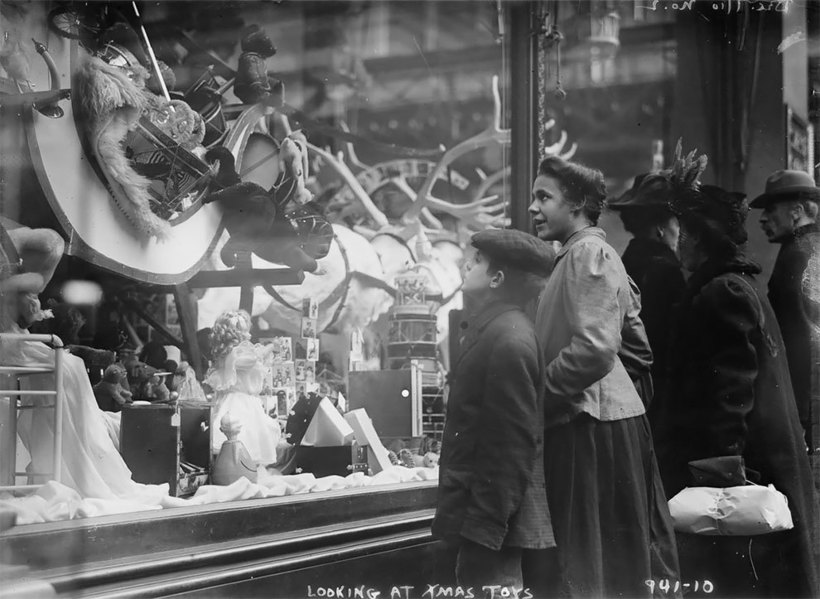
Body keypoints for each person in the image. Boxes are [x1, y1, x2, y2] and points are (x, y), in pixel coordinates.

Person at [653, 153, 819, 597]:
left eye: (684, 234)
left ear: (700, 239)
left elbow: (732, 389)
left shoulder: (722, 291)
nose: (677, 245)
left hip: (735, 469)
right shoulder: (732, 286)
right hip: (751, 460)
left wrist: (722, 469)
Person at [529, 156, 679, 598]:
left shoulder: (588, 253)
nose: (534, 208)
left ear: (577, 204)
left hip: (590, 429)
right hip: (594, 422)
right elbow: (636, 349)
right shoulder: (576, 256)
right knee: (603, 561)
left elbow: (595, 349)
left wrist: (536, 398)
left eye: (544, 197)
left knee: (591, 561)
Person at [0, 223, 166, 503]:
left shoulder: (13, 266)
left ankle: (75, 454)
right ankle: (67, 458)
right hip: (8, 343)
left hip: (14, 339)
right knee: (67, 368)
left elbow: (25, 316)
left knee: (70, 367)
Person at [431, 229, 556, 597]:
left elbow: (511, 445)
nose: (468, 264)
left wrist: (486, 528)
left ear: (497, 279)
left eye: (479, 261)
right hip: (481, 518)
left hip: (490, 526)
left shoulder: (508, 339)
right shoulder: (497, 330)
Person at [608, 173, 686, 422]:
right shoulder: (667, 271)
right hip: (658, 386)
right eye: (677, 223)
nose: (681, 232)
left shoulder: (626, 263)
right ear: (661, 228)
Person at [751, 169, 820, 448]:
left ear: (797, 210)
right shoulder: (809, 246)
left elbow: (801, 336)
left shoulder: (797, 255)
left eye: (771, 209)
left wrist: (800, 415)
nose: (763, 218)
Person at [205, 310, 281, 465]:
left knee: (248, 440)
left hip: (246, 401)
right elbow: (252, 360)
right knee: (242, 436)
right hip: (238, 402)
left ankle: (243, 469)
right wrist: (271, 347)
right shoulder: (235, 353)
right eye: (244, 331)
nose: (248, 335)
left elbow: (255, 363)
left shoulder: (237, 353)